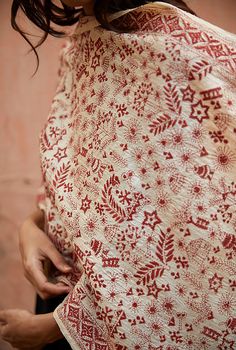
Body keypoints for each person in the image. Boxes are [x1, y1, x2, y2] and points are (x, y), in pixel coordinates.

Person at [0, 0, 236, 349]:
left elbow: (201, 244)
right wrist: (32, 226)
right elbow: (79, 177)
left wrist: (55, 327)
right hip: (64, 288)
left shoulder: (174, 53)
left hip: (106, 325)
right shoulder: (81, 45)